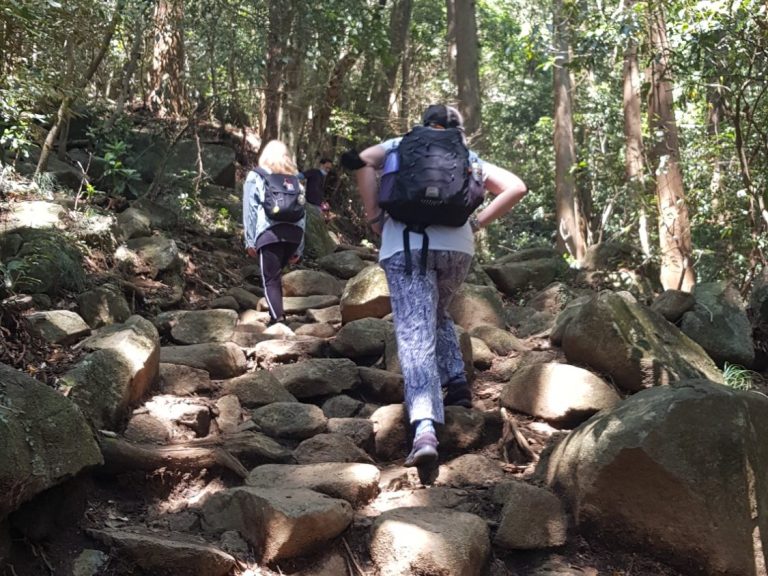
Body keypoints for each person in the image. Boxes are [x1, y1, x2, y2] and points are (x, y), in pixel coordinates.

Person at [352, 104, 528, 482]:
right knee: (434, 313)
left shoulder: (399, 145)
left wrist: (373, 215)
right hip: (457, 251)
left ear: (423, 125)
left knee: (414, 332)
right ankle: (457, 384)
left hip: (405, 246)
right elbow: (516, 186)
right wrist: (476, 223)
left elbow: (362, 160)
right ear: (456, 131)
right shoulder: (467, 155)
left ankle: (424, 427)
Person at [243, 140, 306, 326]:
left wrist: (250, 240)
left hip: (269, 233)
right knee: (275, 276)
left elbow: (250, 209)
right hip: (293, 235)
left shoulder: (256, 176)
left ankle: (277, 319)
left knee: (270, 278)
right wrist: (299, 247)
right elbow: (303, 215)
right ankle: (278, 315)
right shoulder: (295, 181)